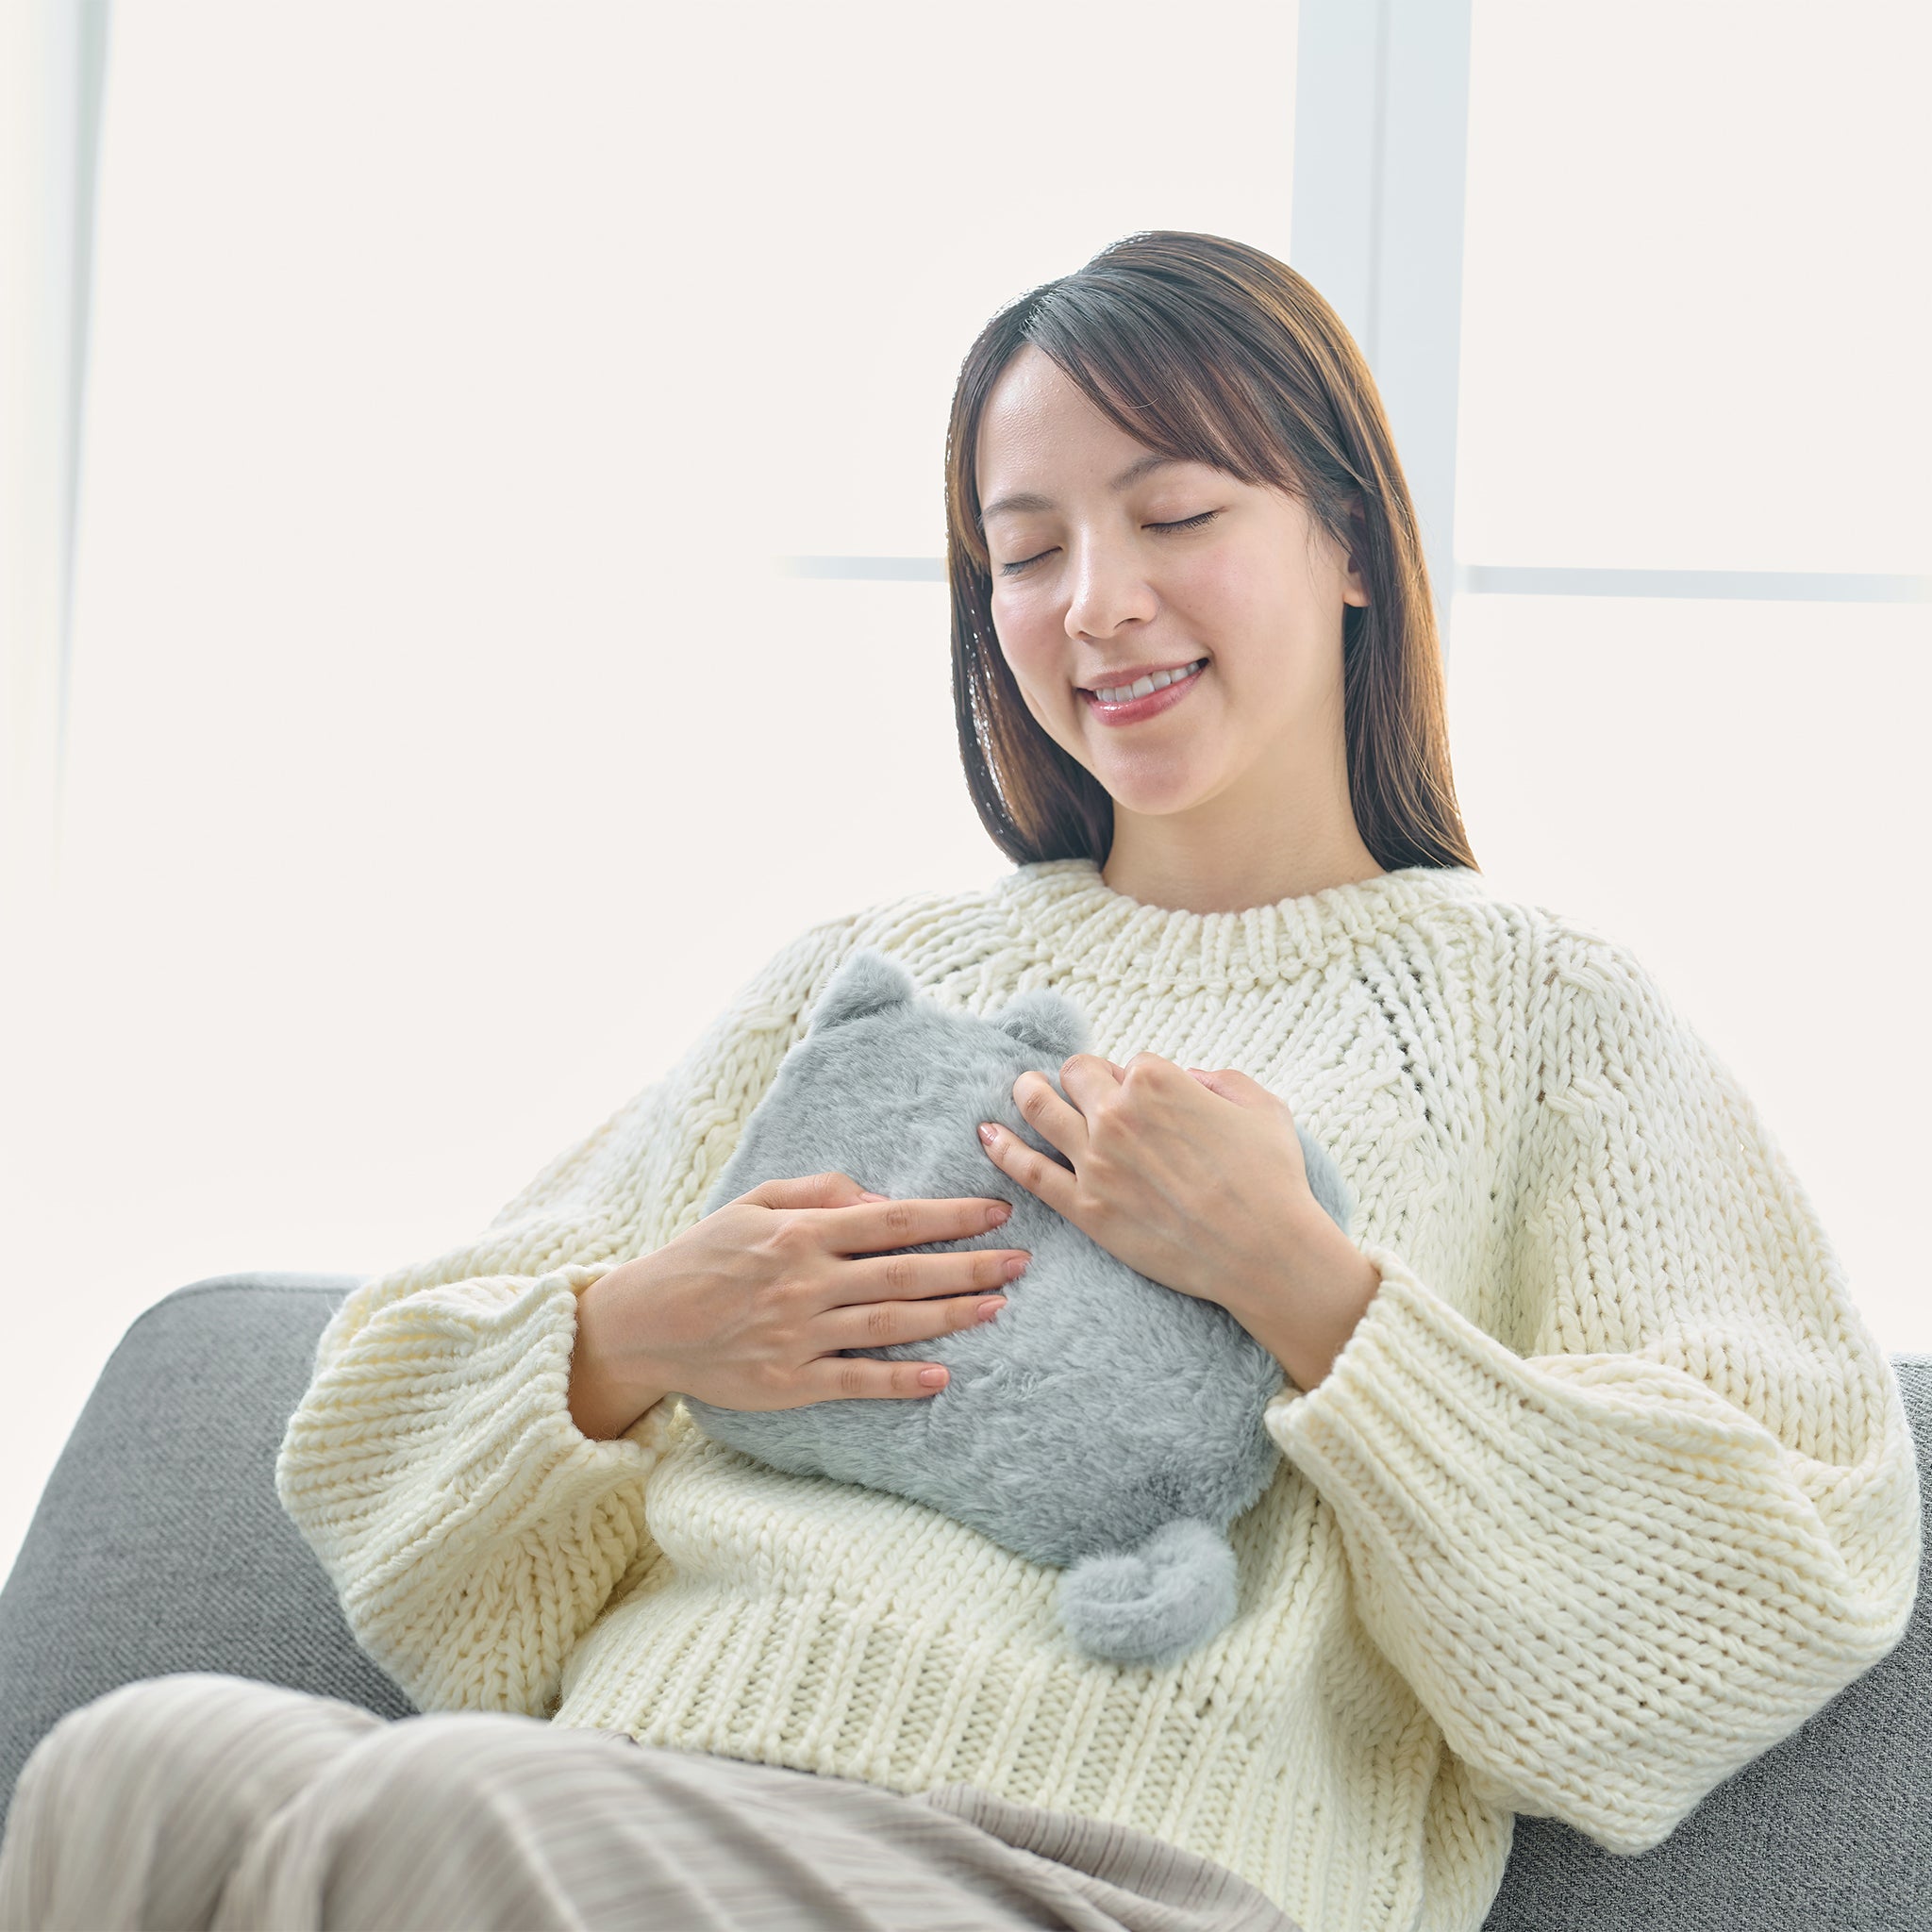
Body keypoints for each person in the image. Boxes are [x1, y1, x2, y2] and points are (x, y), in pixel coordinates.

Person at [0, 230, 1920, 1932]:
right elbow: (382, 1467)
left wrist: (1313, 1296)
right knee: (134, 1765)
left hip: (1099, 1871)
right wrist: (637, 1330)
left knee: (429, 1834)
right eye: (1026, 550)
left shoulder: (1543, 1013)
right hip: (653, 1797)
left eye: (1174, 517)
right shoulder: (871, 971)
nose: (1094, 600)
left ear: (1344, 541)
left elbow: (1761, 1582)